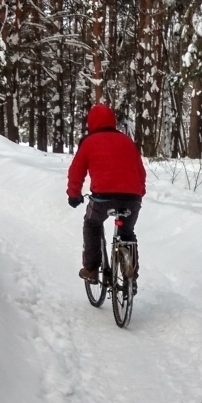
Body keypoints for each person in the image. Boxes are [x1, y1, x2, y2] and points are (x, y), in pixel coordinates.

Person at [66, 104, 146, 285]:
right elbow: (140, 171)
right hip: (132, 198)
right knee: (127, 232)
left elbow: (76, 172)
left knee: (92, 224)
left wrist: (74, 195)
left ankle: (92, 269)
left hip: (103, 198)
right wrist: (139, 192)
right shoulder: (127, 141)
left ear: (91, 123)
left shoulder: (90, 142)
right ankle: (130, 277)